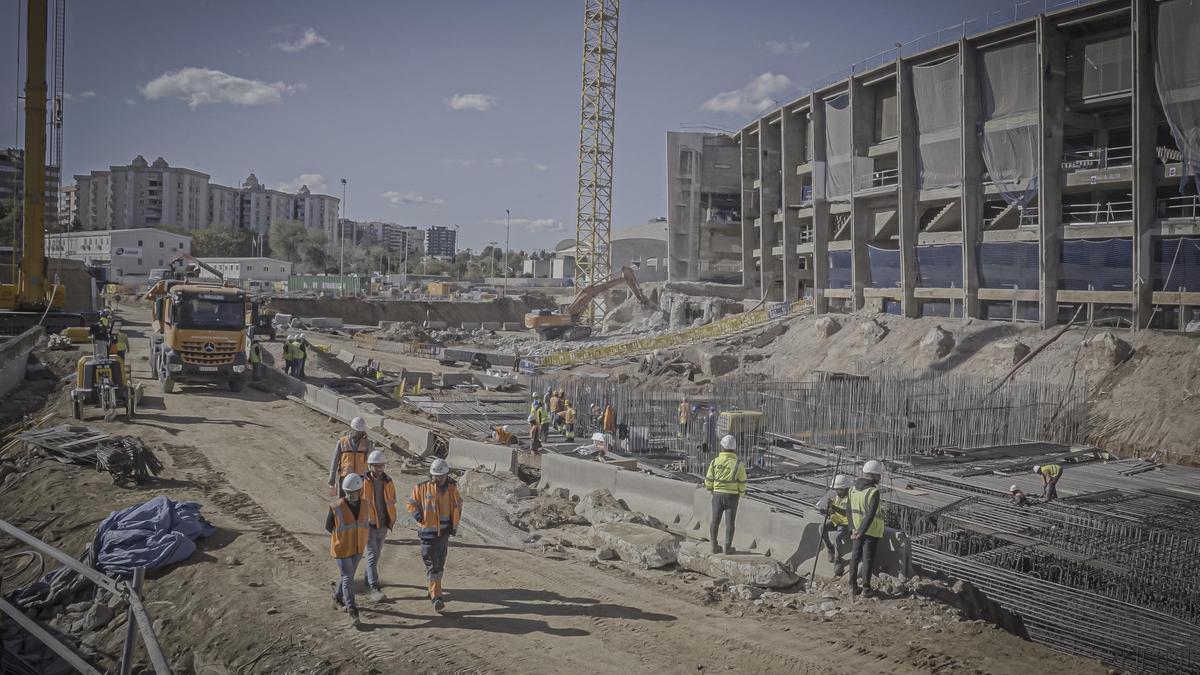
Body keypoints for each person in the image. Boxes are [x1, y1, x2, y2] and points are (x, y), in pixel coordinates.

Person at [406, 458, 462, 613]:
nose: (438, 479)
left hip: (444, 534)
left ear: (446, 475)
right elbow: (410, 503)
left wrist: (453, 527)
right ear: (431, 475)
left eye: (441, 476)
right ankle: (437, 597)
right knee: (433, 566)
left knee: (440, 565)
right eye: (436, 476)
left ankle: (433, 589)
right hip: (427, 535)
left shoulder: (452, 489)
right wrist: (417, 514)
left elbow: (458, 506)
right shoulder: (421, 487)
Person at [326, 473, 369, 626]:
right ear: (345, 491)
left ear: (360, 490)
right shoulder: (336, 507)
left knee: (347, 577)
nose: (352, 494)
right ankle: (352, 610)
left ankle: (336, 597)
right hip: (342, 549)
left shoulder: (365, 504)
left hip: (357, 548)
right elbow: (328, 527)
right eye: (349, 492)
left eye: (355, 491)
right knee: (347, 578)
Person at [846, 460, 886, 598]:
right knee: (867, 559)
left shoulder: (852, 489)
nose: (880, 478)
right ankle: (866, 589)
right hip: (870, 532)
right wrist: (861, 532)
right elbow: (870, 515)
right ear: (872, 475)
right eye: (878, 475)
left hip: (856, 531)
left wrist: (853, 530)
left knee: (855, 558)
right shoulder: (873, 491)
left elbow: (848, 511)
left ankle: (851, 586)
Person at [361, 450, 396, 602]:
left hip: (383, 523)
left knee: (377, 553)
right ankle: (374, 585)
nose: (379, 469)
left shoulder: (388, 481)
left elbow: (392, 500)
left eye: (381, 466)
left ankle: (366, 576)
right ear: (370, 466)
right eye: (376, 466)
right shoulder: (362, 481)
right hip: (368, 524)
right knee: (372, 554)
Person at [704, 435, 746, 555]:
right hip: (732, 497)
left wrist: (711, 489)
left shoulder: (715, 462)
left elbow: (708, 479)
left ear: (721, 447)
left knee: (715, 521)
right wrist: (741, 493)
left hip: (717, 495)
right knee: (730, 522)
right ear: (734, 449)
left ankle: (713, 546)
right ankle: (727, 547)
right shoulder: (738, 464)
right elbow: (742, 482)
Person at [328, 417, 372, 498]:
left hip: (360, 478)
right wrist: (332, 477)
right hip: (345, 477)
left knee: (359, 503)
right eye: (357, 431)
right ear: (351, 429)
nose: (358, 434)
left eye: (360, 432)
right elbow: (335, 461)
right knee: (343, 503)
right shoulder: (342, 442)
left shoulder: (367, 444)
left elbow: (372, 461)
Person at [819, 473, 853, 569]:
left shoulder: (851, 497)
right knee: (821, 528)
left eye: (840, 489)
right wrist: (825, 510)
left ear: (846, 488)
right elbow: (831, 510)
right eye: (836, 489)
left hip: (846, 524)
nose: (838, 491)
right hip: (836, 521)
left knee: (837, 538)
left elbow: (847, 513)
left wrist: (833, 507)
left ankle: (838, 560)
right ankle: (830, 548)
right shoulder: (835, 495)